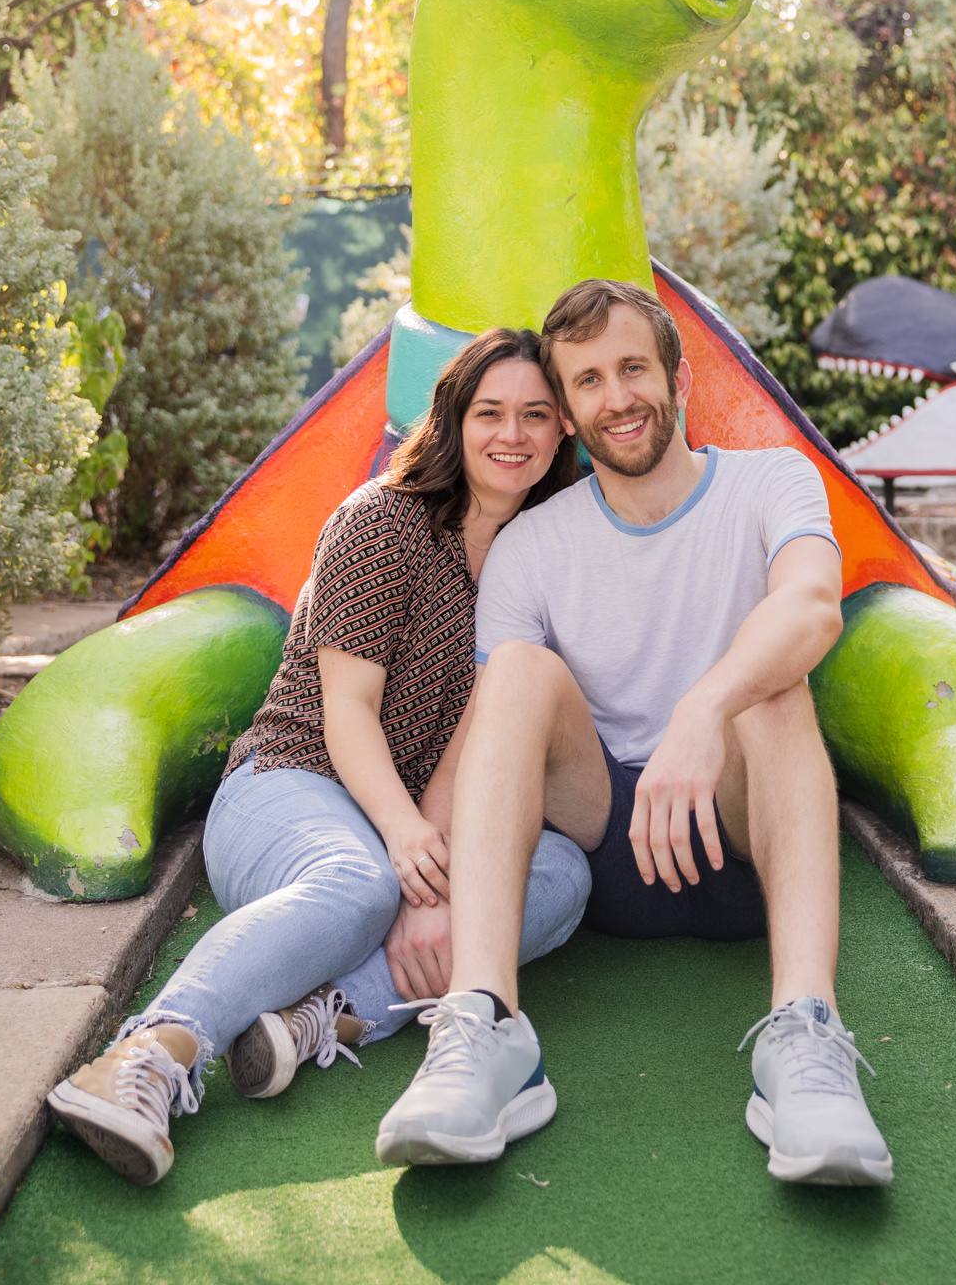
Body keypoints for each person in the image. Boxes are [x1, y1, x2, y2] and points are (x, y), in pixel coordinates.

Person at [376, 278, 893, 1187]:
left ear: (678, 381)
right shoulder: (535, 545)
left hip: (739, 847)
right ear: (568, 415)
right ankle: (486, 1028)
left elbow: (812, 609)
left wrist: (702, 711)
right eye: (587, 381)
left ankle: (805, 1041)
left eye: (631, 369)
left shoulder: (773, 480)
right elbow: (488, 722)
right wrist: (424, 882)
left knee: (773, 689)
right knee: (521, 670)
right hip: (608, 841)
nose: (616, 397)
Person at [47, 328, 590, 1186]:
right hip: (294, 787)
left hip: (424, 818)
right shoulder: (383, 522)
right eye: (489, 412)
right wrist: (411, 847)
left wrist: (440, 874)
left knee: (561, 875)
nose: (511, 435)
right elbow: (346, 714)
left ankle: (320, 1017)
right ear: (451, 418)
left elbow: (490, 731)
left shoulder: (545, 555)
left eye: (533, 415)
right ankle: (146, 1055)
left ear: (563, 429)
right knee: (360, 884)